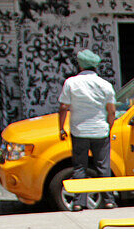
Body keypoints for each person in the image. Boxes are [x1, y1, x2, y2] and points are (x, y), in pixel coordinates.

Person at [57, 49, 116, 211]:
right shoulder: (105, 85)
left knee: (80, 167)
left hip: (79, 131)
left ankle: (78, 202)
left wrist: (61, 127)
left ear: (80, 65)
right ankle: (109, 200)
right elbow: (111, 111)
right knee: (103, 166)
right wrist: (109, 126)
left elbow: (63, 107)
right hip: (100, 131)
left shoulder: (71, 83)